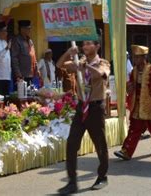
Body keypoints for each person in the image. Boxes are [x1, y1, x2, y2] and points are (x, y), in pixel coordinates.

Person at [56, 39, 110, 194]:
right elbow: (59, 65)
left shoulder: (103, 62)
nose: (85, 46)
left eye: (89, 44)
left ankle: (102, 177)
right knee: (71, 144)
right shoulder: (79, 62)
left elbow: (101, 74)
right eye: (84, 44)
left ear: (97, 46)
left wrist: (86, 67)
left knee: (100, 145)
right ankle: (72, 182)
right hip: (81, 108)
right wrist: (68, 53)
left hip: (95, 108)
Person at [114, 45, 151, 161]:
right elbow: (131, 86)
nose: (135, 60)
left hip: (150, 103)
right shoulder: (134, 71)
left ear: (143, 58)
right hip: (137, 104)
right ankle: (126, 151)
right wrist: (129, 87)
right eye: (134, 58)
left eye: (137, 58)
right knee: (134, 128)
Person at [11, 20, 38, 86]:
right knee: (21, 94)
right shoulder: (16, 40)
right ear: (22, 29)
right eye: (28, 28)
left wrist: (36, 68)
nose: (29, 30)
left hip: (31, 73)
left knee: (30, 94)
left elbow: (33, 55)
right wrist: (18, 74)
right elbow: (14, 58)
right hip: (22, 75)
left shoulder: (30, 41)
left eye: (30, 28)